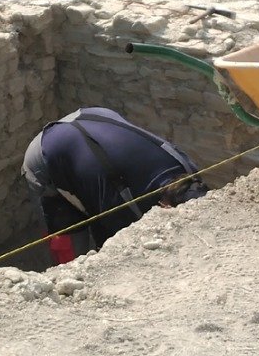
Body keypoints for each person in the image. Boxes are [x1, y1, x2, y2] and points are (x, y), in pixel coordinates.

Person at [21, 108, 206, 263]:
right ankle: (66, 293)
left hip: (95, 116)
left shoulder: (186, 167)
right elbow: (110, 236)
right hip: (45, 155)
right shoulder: (121, 202)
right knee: (70, 247)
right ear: (165, 206)